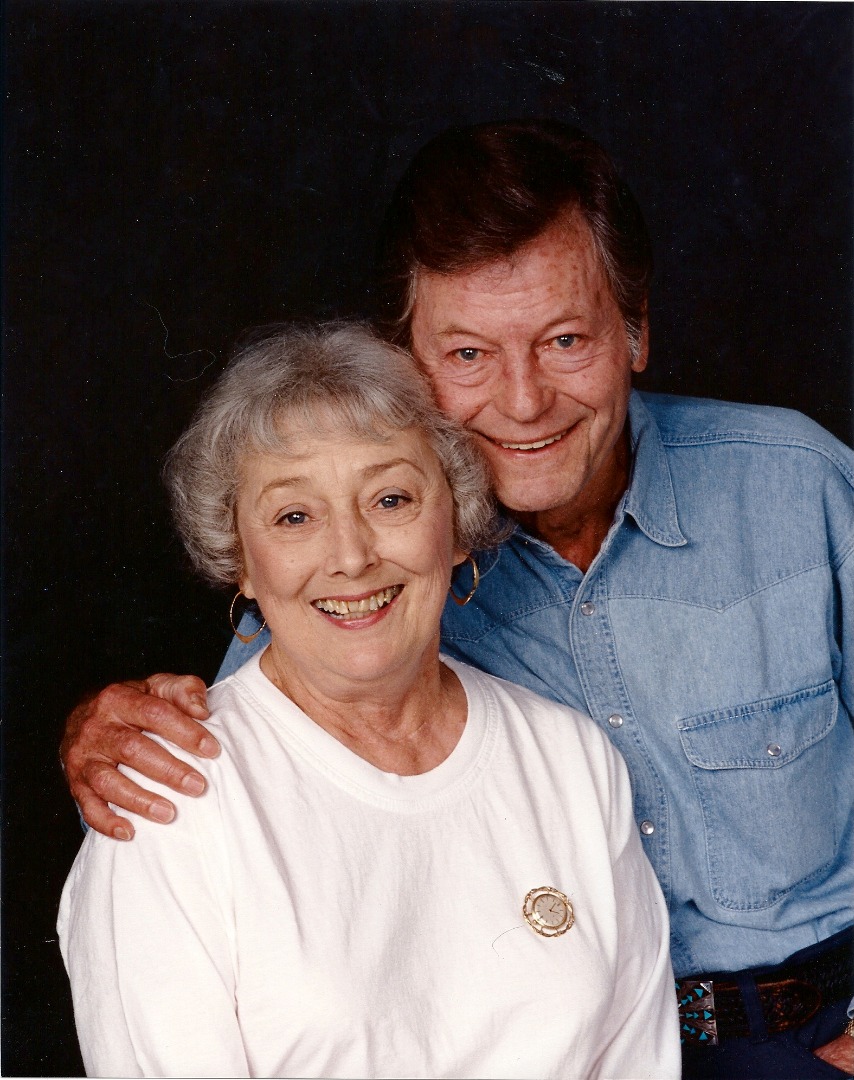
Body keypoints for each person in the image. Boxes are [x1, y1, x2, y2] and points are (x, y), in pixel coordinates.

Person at [61, 120, 854, 1078]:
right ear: (408, 363)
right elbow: (257, 728)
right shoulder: (379, 589)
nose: (523, 400)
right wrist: (105, 733)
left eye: (565, 339)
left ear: (637, 330)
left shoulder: (799, 486)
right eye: (469, 353)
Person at [57, 323, 678, 1078]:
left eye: (390, 499)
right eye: (294, 516)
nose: (351, 556)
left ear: (458, 524)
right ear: (241, 560)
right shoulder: (170, 794)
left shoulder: (570, 758)